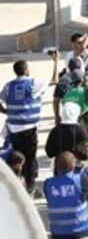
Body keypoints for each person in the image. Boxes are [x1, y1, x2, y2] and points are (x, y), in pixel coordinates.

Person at [1, 57, 53, 191]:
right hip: (30, 129)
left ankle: (18, 185)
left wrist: (7, 111)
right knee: (29, 159)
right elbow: (54, 80)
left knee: (17, 159)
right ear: (26, 70)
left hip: (14, 129)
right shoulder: (32, 84)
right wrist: (56, 62)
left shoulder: (8, 86)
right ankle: (29, 187)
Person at [46, 151, 88, 239]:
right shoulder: (79, 178)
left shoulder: (48, 184)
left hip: (59, 236)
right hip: (81, 233)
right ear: (73, 165)